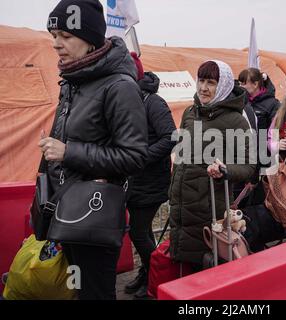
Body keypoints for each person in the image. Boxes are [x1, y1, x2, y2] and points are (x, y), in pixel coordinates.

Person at [41, 0, 148, 300]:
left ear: (88, 38)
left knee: (95, 294)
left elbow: (135, 155)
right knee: (76, 289)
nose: (56, 44)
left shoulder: (119, 86)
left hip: (95, 214)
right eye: (53, 36)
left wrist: (68, 152)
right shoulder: (74, 81)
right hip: (66, 208)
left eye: (65, 36)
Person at [169, 60, 256, 269]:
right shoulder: (190, 112)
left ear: (223, 86)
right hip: (181, 203)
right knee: (183, 264)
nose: (203, 87)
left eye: (211, 82)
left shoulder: (237, 121)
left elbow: (249, 166)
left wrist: (225, 170)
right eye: (201, 80)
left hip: (210, 206)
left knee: (207, 266)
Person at [125, 53, 176, 298]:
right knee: (139, 231)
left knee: (138, 231)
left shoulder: (153, 102)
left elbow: (170, 138)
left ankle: (155, 277)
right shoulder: (129, 99)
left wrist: (141, 157)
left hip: (151, 180)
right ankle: (149, 273)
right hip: (133, 180)